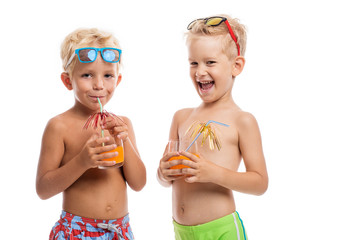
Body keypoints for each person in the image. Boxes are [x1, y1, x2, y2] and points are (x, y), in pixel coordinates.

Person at [157, 15, 268, 240]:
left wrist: (213, 173)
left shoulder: (242, 121)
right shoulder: (181, 117)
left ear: (236, 66)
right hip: (181, 231)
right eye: (193, 63)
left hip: (221, 230)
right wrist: (163, 173)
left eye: (210, 62)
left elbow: (260, 183)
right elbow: (165, 180)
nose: (200, 71)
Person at [36, 28, 146, 240]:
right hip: (76, 231)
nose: (99, 85)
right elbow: (43, 189)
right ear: (68, 81)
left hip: (119, 231)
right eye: (87, 75)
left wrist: (125, 142)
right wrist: (82, 162)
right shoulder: (59, 126)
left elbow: (139, 183)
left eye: (108, 75)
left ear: (118, 80)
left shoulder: (123, 125)